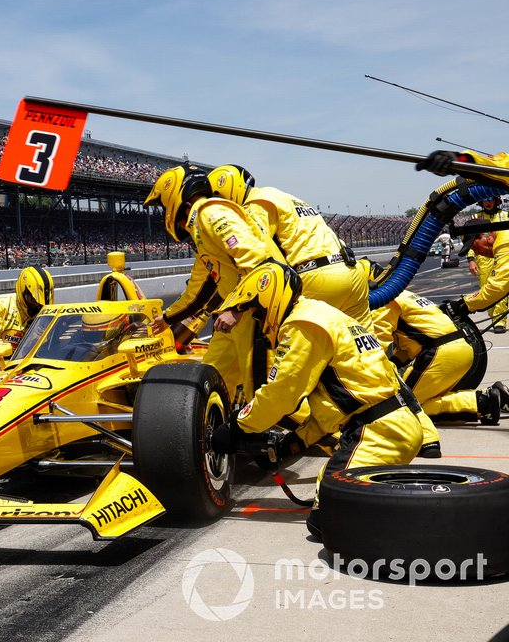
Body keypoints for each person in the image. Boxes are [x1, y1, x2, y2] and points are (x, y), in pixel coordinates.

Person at [208, 261, 424, 538]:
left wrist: (237, 427)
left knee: (326, 523)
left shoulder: (302, 325)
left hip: (376, 435)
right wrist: (294, 443)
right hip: (391, 425)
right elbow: (340, 403)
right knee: (335, 510)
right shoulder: (323, 314)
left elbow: (280, 393)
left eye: (257, 315)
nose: (260, 323)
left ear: (268, 300)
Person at [144, 165, 287, 399]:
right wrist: (168, 318)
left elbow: (260, 263)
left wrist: (239, 310)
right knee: (209, 382)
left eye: (162, 205)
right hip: (234, 319)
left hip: (260, 314)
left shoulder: (212, 213)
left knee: (264, 393)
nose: (164, 213)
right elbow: (198, 291)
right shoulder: (200, 230)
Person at [208, 164, 370, 329]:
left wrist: (237, 308)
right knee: (365, 347)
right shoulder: (284, 197)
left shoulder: (255, 204)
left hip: (316, 280)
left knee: (300, 346)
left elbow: (259, 253)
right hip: (352, 274)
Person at [366, 261, 504, 444]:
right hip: (461, 347)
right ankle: (485, 399)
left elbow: (377, 348)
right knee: (424, 397)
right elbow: (409, 343)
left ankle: (482, 403)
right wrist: (396, 362)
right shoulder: (404, 295)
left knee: (402, 406)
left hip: (440, 352)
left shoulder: (383, 301)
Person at [0, 265, 53, 367]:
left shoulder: (46, 312)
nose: (37, 306)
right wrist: (0, 349)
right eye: (32, 300)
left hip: (20, 368)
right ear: (23, 291)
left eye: (40, 303)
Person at [449, 229, 509, 333]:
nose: (477, 253)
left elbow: (497, 287)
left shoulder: (504, 244)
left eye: (474, 247)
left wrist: (463, 305)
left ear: (485, 235)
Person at [465, 199, 509, 333]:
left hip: (501, 250)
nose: (487, 203)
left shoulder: (506, 215)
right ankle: (493, 315)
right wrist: (471, 259)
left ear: (496, 201)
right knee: (486, 287)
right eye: (485, 200)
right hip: (484, 259)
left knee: (499, 287)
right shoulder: (475, 217)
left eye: (490, 200)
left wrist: (464, 304)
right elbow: (471, 242)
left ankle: (499, 321)